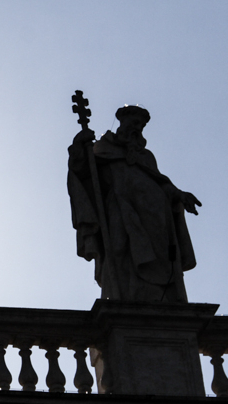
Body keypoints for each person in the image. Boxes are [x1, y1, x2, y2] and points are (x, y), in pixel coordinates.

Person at [67, 105, 201, 302]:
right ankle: (125, 298)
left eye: (142, 125)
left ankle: (162, 300)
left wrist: (180, 195)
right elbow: (82, 171)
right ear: (123, 121)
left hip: (156, 215)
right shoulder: (104, 147)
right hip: (121, 208)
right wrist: (79, 144)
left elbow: (161, 183)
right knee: (119, 249)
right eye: (135, 122)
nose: (138, 128)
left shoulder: (146, 156)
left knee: (160, 256)